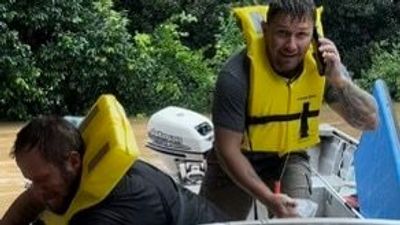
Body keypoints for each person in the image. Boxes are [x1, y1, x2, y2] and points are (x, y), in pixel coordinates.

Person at [199, 0, 378, 220]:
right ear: (266, 30)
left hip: (290, 156)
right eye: (282, 33)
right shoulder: (235, 76)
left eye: (301, 35)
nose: (291, 45)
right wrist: (268, 198)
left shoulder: (324, 69)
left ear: (314, 35)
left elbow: (370, 122)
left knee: (297, 218)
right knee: (211, 221)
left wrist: (341, 81)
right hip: (238, 157)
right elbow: (227, 150)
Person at [1, 116, 227, 225]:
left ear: (73, 161)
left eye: (41, 180)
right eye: (31, 181)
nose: (37, 191)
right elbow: (33, 198)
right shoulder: (78, 173)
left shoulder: (105, 215)